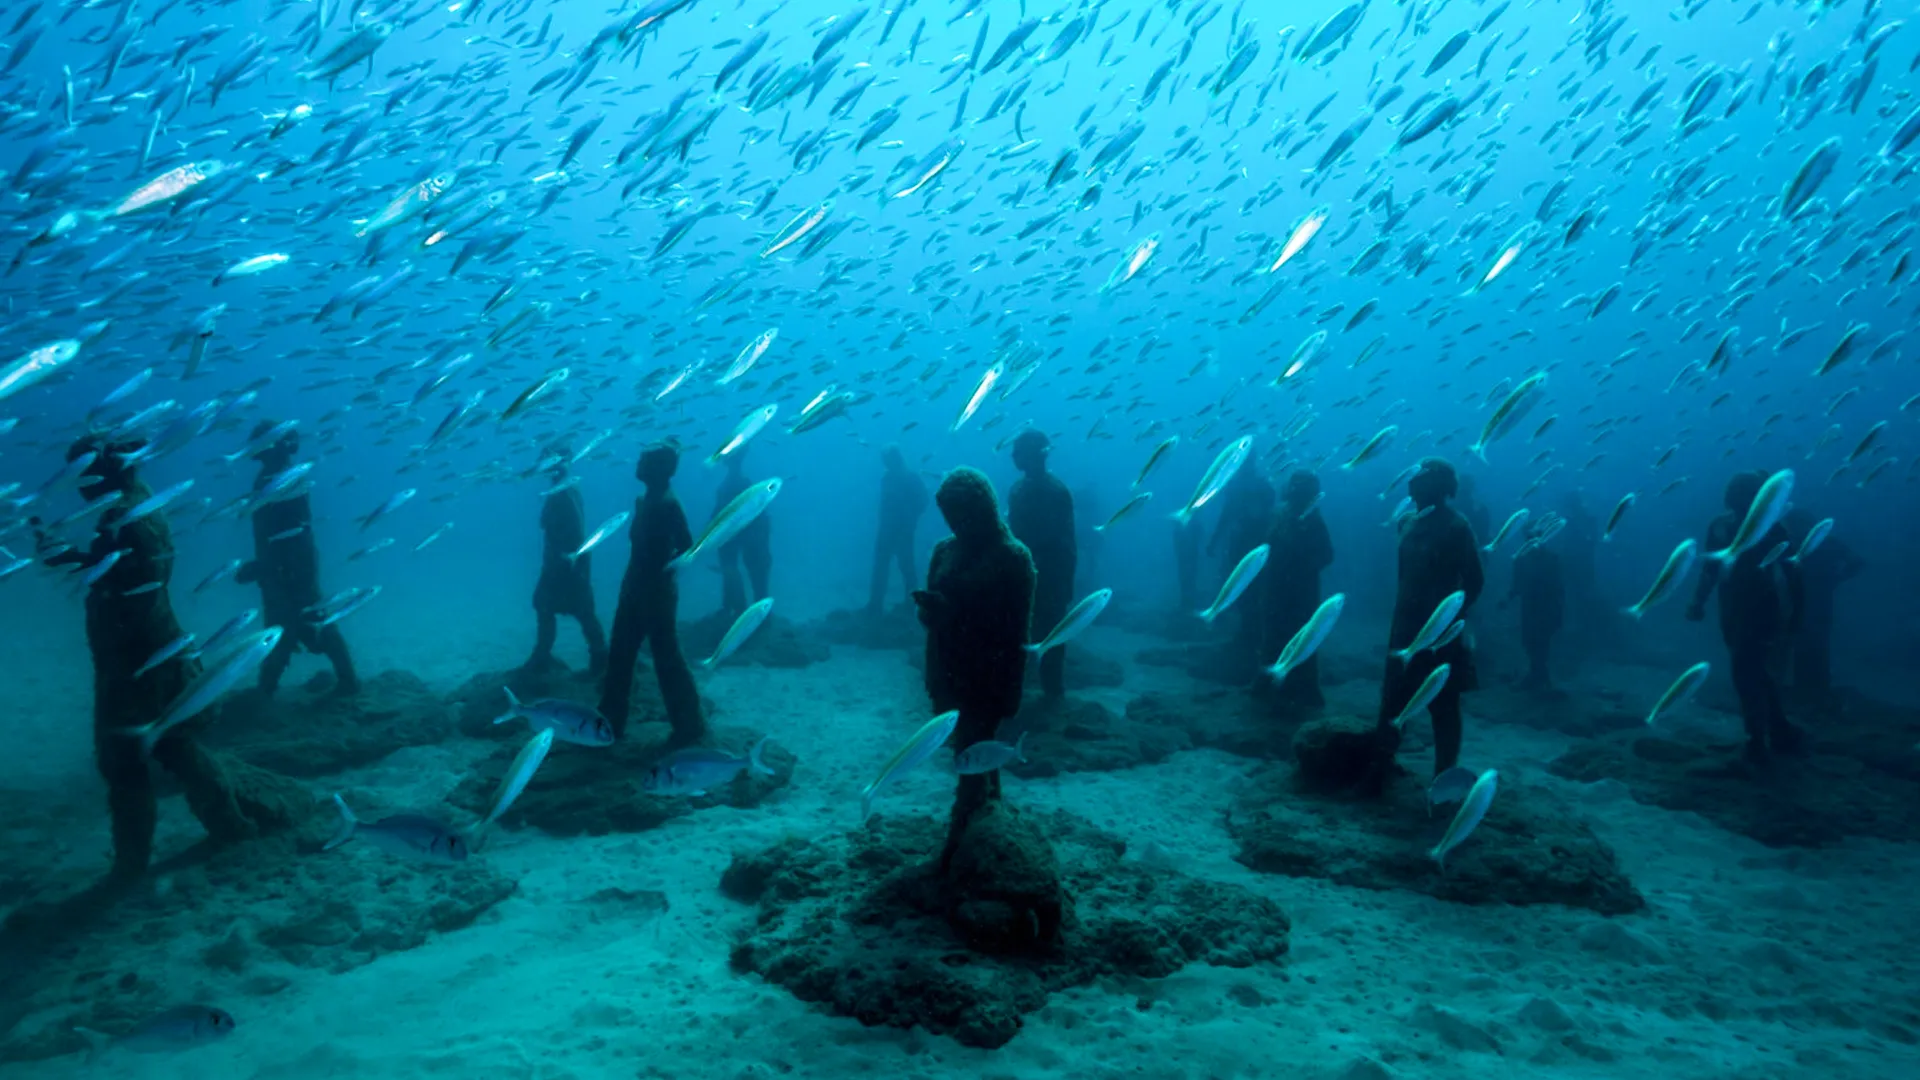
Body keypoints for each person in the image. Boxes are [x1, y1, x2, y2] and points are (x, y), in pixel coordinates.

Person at [38, 437, 297, 881]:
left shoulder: (125, 517)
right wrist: (76, 559)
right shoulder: (138, 506)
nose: (78, 487)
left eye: (83, 475)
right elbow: (128, 575)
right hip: (157, 653)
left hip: (135, 664)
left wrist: (82, 568)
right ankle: (232, 828)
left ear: (103, 473)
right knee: (177, 748)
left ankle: (132, 865)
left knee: (123, 764)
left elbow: (131, 586)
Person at [913, 467, 1035, 867]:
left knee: (971, 763)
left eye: (960, 513)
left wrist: (1010, 693)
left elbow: (1014, 631)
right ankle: (988, 840)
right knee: (978, 761)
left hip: (986, 677)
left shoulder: (1012, 558)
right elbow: (933, 621)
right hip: (946, 673)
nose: (953, 523)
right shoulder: (944, 551)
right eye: (947, 514)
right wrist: (932, 612)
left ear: (981, 508)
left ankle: (960, 848)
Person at [1371, 458, 1485, 789]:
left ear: (1439, 487)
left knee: (1444, 703)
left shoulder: (1457, 527)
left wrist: (1450, 621)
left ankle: (1444, 775)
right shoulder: (1405, 522)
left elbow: (1474, 580)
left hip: (1441, 631)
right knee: (1393, 696)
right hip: (1404, 626)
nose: (1413, 483)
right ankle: (1381, 764)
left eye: (1422, 478)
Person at [1687, 472, 1804, 763]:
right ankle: (1779, 729)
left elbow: (1792, 573)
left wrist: (1796, 614)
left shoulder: (1773, 528)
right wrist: (1698, 601)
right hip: (1730, 608)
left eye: (1744, 492)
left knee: (1744, 671)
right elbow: (1710, 570)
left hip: (1762, 607)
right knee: (1753, 670)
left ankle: (1756, 742)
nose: (1736, 496)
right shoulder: (1719, 526)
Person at [236, 422, 358, 697]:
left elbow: (291, 534)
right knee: (288, 625)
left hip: (291, 570)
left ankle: (347, 682)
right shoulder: (275, 478)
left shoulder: (282, 480)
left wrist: (268, 568)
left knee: (303, 622)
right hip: (285, 569)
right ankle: (267, 690)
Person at [600, 442, 703, 746]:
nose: (638, 463)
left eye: (644, 460)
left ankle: (690, 726)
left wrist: (664, 578)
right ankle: (609, 722)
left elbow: (687, 547)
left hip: (655, 594)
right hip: (633, 589)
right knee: (620, 656)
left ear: (660, 469)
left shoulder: (668, 504)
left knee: (667, 659)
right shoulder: (644, 501)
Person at [524, 446, 607, 676]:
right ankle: (596, 656)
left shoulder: (563, 493)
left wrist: (569, 564)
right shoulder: (566, 489)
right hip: (567, 562)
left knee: (562, 607)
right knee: (579, 611)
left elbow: (573, 531)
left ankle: (546, 656)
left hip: (564, 564)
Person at [1007, 430, 1075, 698]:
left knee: (1052, 636)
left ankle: (1053, 695)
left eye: (1018, 451)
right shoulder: (1018, 490)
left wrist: (1065, 583)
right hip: (1024, 577)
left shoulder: (1054, 491)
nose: (1013, 456)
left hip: (1048, 577)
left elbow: (1066, 542)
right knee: (1022, 635)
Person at [1263, 469, 1334, 707]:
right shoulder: (1280, 514)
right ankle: (1272, 684)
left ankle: (1303, 687)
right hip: (1279, 588)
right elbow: (1269, 546)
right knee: (1275, 633)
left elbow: (1326, 555)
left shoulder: (1313, 519)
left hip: (1301, 591)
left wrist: (1300, 569)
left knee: (1304, 636)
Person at [1785, 508, 1861, 702]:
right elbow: (1856, 562)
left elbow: (1857, 562)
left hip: (1808, 599)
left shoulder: (1796, 545)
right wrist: (1837, 579)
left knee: (1809, 640)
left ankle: (1811, 688)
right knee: (1811, 640)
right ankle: (1814, 687)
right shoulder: (1827, 543)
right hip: (1811, 599)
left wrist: (1837, 579)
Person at [1209, 459, 1276, 657]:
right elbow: (1227, 514)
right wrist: (1214, 540)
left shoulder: (1256, 486)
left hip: (1252, 544)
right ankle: (1249, 633)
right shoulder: (1245, 485)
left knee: (1251, 591)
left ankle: (1252, 634)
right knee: (1243, 590)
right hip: (1245, 544)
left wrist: (1215, 540)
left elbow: (1229, 514)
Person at [867, 444, 927, 615]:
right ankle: (875, 604)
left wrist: (910, 520)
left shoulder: (910, 478)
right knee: (882, 567)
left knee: (905, 567)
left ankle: (910, 606)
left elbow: (923, 501)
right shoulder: (887, 479)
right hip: (887, 530)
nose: (886, 463)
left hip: (902, 531)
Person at [1506, 524, 1565, 693]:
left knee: (1541, 642)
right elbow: (1516, 585)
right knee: (1530, 642)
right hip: (1530, 607)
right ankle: (1538, 674)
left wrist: (1559, 610)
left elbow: (1560, 588)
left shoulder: (1552, 559)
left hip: (1546, 607)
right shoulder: (1521, 560)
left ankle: (1538, 675)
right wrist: (1508, 598)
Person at [714, 447, 771, 619]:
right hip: (745, 534)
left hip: (740, 533)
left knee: (735, 568)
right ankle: (741, 608)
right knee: (742, 569)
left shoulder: (730, 486)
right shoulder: (741, 484)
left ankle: (740, 609)